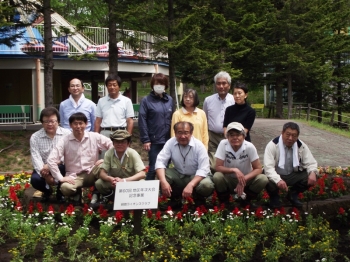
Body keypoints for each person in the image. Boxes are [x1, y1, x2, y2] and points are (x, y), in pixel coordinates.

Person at [47, 112, 113, 202]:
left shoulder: (94, 137)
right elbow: (51, 160)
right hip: (74, 176)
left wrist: (104, 159)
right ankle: (76, 193)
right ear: (70, 125)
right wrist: (60, 178)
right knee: (65, 188)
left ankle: (96, 194)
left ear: (86, 124)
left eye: (81, 123)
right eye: (75, 123)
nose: (78, 126)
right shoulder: (65, 141)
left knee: (102, 167)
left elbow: (112, 145)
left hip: (91, 172)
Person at [155, 121, 215, 208]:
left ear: (191, 133)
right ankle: (176, 199)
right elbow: (160, 161)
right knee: (162, 176)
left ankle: (199, 200)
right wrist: (163, 182)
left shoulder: (199, 146)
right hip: (179, 174)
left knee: (206, 185)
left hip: (196, 176)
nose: (183, 136)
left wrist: (191, 185)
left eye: (186, 133)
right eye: (179, 133)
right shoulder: (170, 143)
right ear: (175, 133)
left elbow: (204, 169)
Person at [264, 122, 318, 208]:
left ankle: (293, 194)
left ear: (297, 136)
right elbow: (268, 168)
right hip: (276, 174)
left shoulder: (301, 145)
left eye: (294, 136)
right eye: (288, 134)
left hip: (292, 175)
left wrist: (312, 172)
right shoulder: (272, 145)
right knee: (265, 178)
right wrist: (278, 180)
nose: (290, 138)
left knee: (312, 174)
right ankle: (274, 197)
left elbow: (311, 162)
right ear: (282, 133)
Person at [212, 122, 268, 207]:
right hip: (229, 179)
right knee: (217, 176)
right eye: (231, 135)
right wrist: (234, 170)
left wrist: (244, 179)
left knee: (263, 178)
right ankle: (224, 201)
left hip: (246, 179)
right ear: (227, 137)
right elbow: (218, 167)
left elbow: (258, 168)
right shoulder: (223, 144)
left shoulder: (249, 146)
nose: (235, 137)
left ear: (244, 136)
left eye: (238, 134)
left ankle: (247, 200)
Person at [94, 130, 146, 205]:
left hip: (130, 182)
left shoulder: (133, 153)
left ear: (128, 143)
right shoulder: (109, 153)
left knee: (142, 183)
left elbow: (142, 174)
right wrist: (110, 179)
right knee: (99, 183)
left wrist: (124, 181)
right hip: (115, 183)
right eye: (117, 142)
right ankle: (113, 200)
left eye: (123, 142)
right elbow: (102, 173)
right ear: (113, 143)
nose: (120, 144)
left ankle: (135, 203)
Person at [30, 107, 71, 202]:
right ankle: (47, 191)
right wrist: (46, 175)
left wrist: (51, 165)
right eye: (46, 121)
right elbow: (35, 157)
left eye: (53, 121)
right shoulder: (35, 137)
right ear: (41, 123)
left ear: (58, 121)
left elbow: (68, 154)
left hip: (61, 165)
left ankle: (61, 193)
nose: (50, 124)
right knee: (35, 180)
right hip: (43, 168)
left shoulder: (67, 134)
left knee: (66, 168)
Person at [138, 73, 174, 180]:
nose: (159, 86)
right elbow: (142, 120)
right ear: (152, 84)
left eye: (162, 83)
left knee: (165, 168)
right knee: (153, 167)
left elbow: (173, 118)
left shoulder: (170, 100)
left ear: (166, 85)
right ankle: (148, 193)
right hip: (153, 140)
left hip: (168, 140)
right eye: (157, 83)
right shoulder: (146, 100)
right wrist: (145, 139)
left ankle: (163, 194)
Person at [203, 71, 235, 170]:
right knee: (214, 165)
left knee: (230, 163)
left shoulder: (234, 100)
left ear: (229, 85)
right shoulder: (208, 100)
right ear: (215, 85)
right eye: (218, 83)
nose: (221, 86)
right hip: (213, 137)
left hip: (231, 137)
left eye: (224, 83)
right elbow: (205, 118)